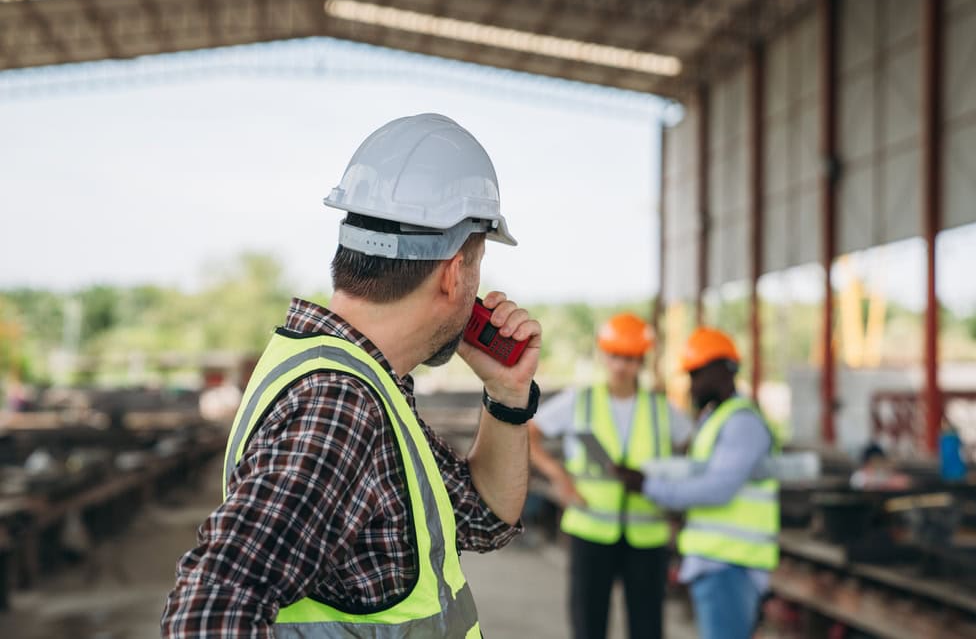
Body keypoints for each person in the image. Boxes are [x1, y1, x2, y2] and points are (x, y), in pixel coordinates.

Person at [162, 113, 543, 638]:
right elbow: (207, 614)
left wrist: (507, 394)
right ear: (455, 273)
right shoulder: (339, 403)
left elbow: (483, 518)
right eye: (477, 266)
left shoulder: (361, 379)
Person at [528, 313, 691, 639]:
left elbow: (692, 451)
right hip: (591, 528)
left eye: (630, 358)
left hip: (647, 534)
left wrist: (675, 497)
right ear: (604, 355)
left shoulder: (662, 409)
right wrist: (558, 475)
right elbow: (529, 435)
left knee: (647, 628)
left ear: (641, 361)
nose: (621, 365)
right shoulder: (580, 401)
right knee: (589, 625)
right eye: (615, 356)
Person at [614, 327, 778, 639]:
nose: (692, 384)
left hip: (731, 564)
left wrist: (649, 487)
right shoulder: (716, 419)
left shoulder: (741, 422)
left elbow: (718, 489)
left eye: (696, 374)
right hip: (717, 562)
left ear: (721, 371)